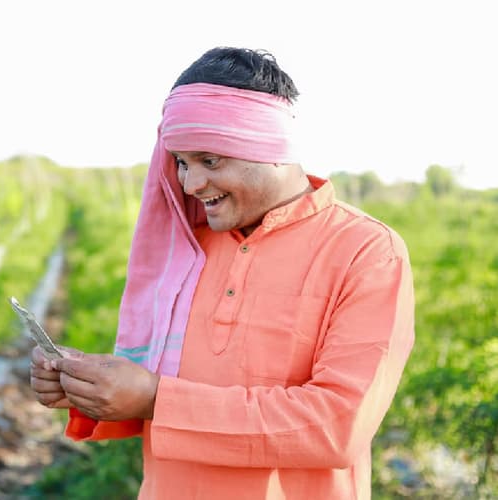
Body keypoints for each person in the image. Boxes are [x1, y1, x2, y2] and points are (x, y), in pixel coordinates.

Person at [30, 46, 415, 499]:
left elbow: (336, 426)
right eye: (181, 162)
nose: (191, 184)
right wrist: (87, 384)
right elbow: (153, 389)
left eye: (209, 161)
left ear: (272, 148)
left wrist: (156, 398)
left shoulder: (367, 251)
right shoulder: (185, 247)